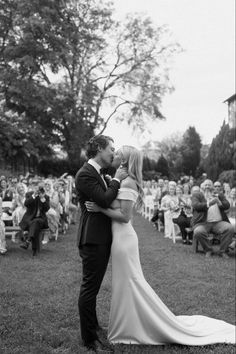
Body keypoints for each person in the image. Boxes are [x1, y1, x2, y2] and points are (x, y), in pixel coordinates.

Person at [86, 146, 235, 347]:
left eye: (119, 152)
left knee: (130, 281)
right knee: (125, 282)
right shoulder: (122, 179)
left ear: (126, 160)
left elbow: (125, 216)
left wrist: (99, 209)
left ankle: (133, 326)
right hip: (119, 238)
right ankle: (128, 323)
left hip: (124, 239)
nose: (115, 154)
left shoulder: (128, 182)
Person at [75, 135, 128, 352]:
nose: (113, 154)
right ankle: (89, 339)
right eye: (111, 149)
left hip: (101, 237)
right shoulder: (85, 174)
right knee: (89, 288)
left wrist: (112, 181)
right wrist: (116, 180)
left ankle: (94, 327)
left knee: (93, 288)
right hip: (92, 238)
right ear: (98, 148)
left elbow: (106, 199)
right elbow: (104, 199)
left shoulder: (98, 173)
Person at [191, 179, 234, 258]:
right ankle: (208, 249)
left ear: (212, 187)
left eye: (209, 185)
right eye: (206, 185)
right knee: (198, 231)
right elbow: (196, 206)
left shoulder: (218, 194)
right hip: (203, 223)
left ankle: (223, 251)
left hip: (218, 222)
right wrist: (209, 203)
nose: (207, 187)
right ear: (202, 186)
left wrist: (219, 202)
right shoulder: (197, 195)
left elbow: (227, 205)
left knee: (230, 228)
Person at [19, 184, 50, 256]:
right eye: (38, 189)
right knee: (35, 224)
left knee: (36, 222)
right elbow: (26, 204)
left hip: (41, 219)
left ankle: (27, 241)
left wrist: (42, 199)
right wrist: (34, 195)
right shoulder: (29, 194)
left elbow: (47, 208)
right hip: (29, 219)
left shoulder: (46, 197)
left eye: (40, 190)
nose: (39, 191)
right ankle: (34, 249)